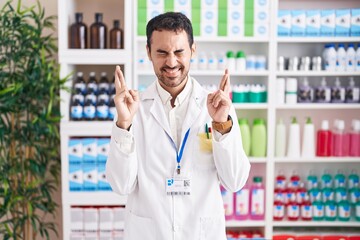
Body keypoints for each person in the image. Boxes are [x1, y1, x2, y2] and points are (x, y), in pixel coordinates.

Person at [106, 12, 250, 240]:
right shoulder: (135, 110)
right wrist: (124, 125)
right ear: (148, 53)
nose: (171, 62)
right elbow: (120, 186)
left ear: (193, 50)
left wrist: (221, 125)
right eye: (162, 53)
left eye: (179, 52)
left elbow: (235, 181)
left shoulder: (215, 107)